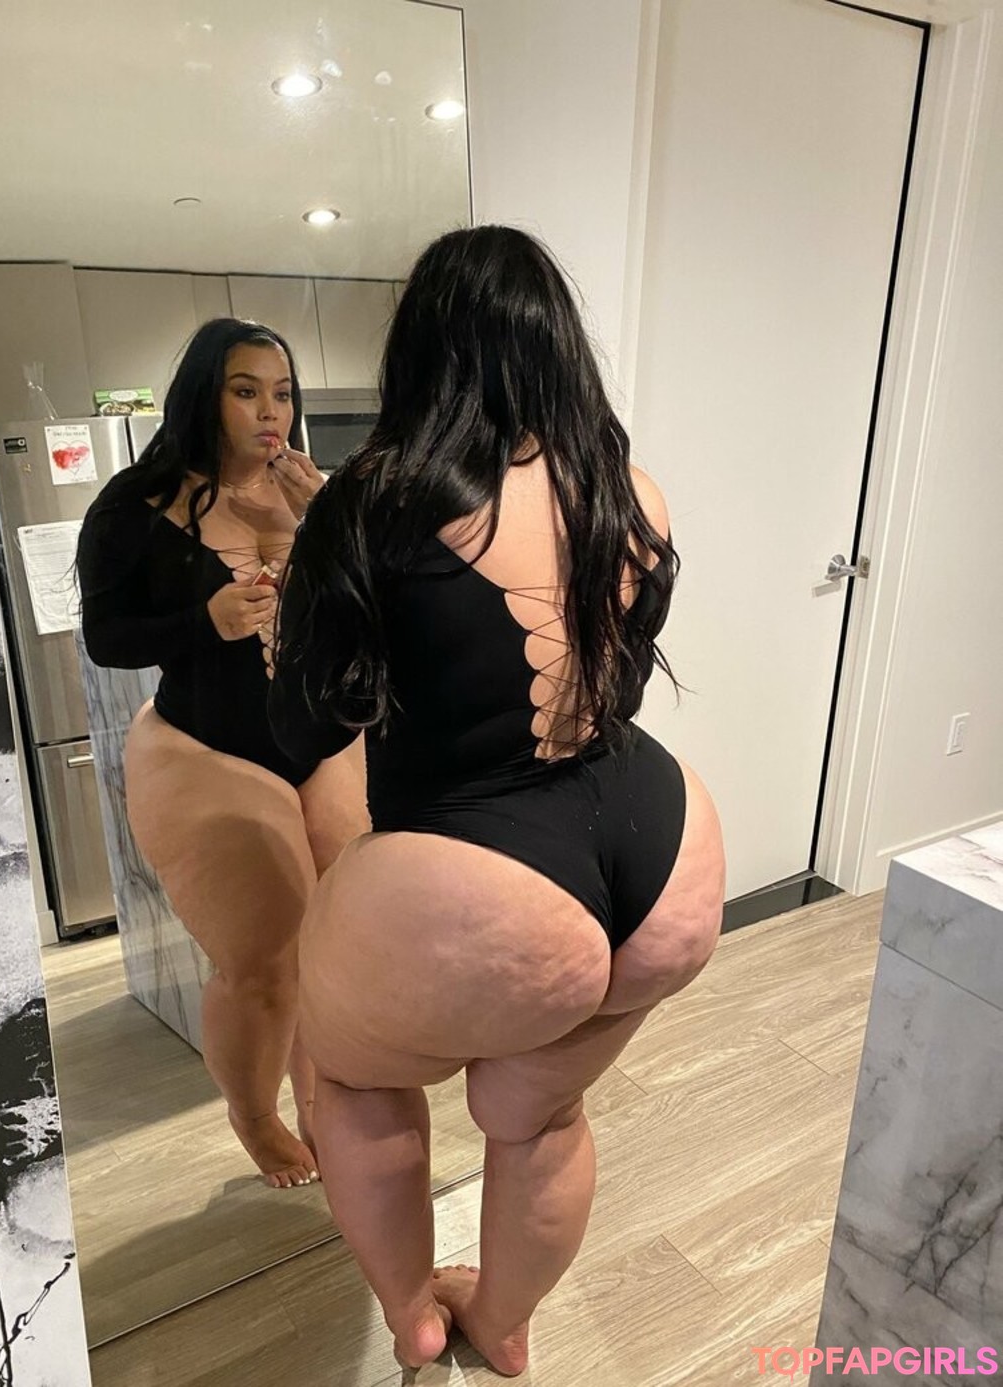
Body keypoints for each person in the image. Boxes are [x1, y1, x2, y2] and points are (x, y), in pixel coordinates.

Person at [268, 226, 726, 1369]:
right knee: (543, 1112)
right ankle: (506, 1321)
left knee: (350, 1074)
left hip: (484, 866)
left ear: (423, 345)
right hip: (665, 855)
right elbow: (614, 682)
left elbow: (308, 727)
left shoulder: (371, 499)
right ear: (556, 344)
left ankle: (415, 1315)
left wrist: (310, 607)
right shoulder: (629, 491)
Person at [77, 318, 368, 1189]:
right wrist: (202, 621)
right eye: (247, 391)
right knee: (265, 964)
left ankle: (320, 1098)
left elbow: (375, 610)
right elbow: (106, 638)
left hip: (318, 742)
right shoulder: (136, 506)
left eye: (283, 393)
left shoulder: (313, 492)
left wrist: (332, 523)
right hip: (207, 747)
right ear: (206, 396)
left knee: (337, 944)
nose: (270, 412)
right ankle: (254, 1114)